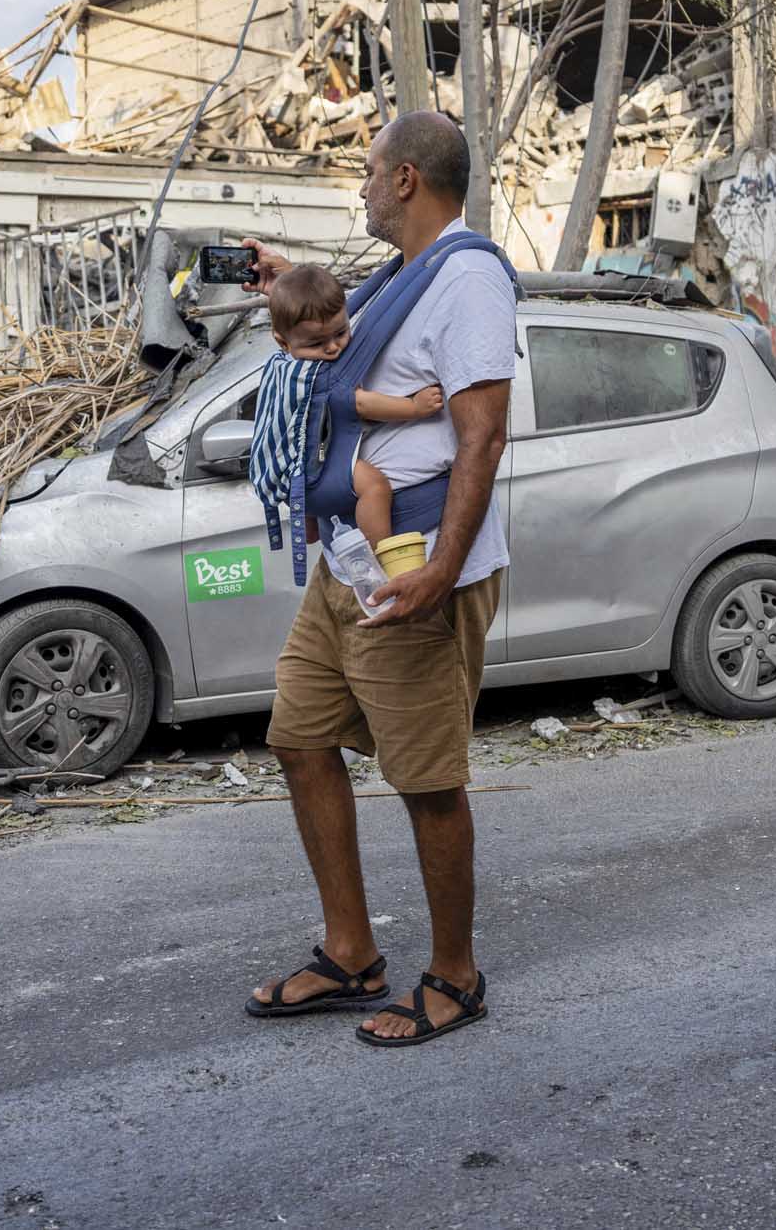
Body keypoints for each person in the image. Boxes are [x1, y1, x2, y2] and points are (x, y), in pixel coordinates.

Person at [239, 111, 516, 1047]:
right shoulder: (401, 278)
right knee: (299, 735)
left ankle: (456, 974)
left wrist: (442, 569)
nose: (359, 188)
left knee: (426, 777)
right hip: (348, 565)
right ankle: (351, 952)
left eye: (366, 173)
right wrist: (288, 285)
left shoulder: (470, 278)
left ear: (405, 179)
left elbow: (481, 433)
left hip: (412, 568)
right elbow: (337, 348)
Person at [247, 262, 444, 569]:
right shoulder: (316, 376)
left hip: (283, 478)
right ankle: (384, 555)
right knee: (375, 486)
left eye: (341, 332)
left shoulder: (278, 365)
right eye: (316, 343)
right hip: (309, 483)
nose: (333, 347)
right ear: (283, 342)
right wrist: (414, 407)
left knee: (305, 440)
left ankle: (309, 524)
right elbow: (362, 404)